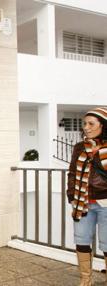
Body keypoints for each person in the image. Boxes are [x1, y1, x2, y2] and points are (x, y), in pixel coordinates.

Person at [67, 107, 107, 285]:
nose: (86, 127)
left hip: (105, 202)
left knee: (106, 244)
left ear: (103, 126)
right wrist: (71, 196)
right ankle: (85, 280)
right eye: (84, 124)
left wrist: (97, 152)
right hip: (82, 202)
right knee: (82, 241)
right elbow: (72, 173)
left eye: (91, 124)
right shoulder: (79, 147)